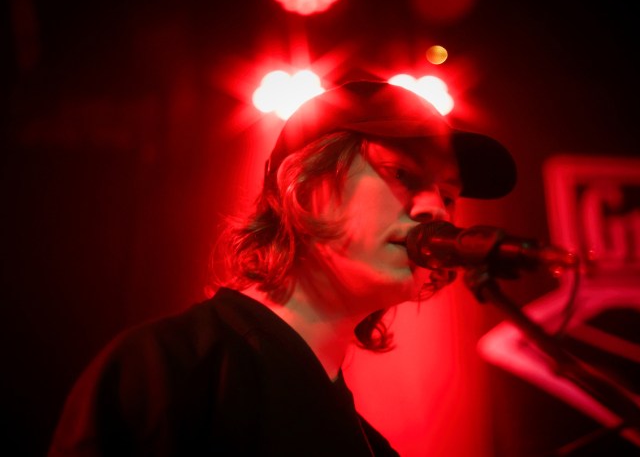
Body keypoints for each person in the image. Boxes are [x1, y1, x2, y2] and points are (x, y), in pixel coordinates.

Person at [48, 79, 517, 456]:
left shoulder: (368, 446)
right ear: (307, 185)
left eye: (449, 196)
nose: (436, 209)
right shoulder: (165, 370)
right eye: (402, 174)